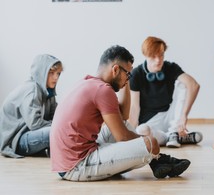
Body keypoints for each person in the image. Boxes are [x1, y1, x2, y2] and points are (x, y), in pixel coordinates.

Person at [50, 45, 190, 181]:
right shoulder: (103, 90)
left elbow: (123, 116)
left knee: (124, 126)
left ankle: (158, 161)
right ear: (115, 69)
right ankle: (158, 159)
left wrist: (125, 81)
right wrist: (150, 146)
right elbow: (122, 136)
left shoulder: (89, 83)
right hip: (76, 166)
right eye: (128, 74)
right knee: (151, 143)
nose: (129, 78)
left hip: (66, 162)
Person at [129, 36, 202, 148]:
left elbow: (194, 85)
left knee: (183, 83)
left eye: (161, 55)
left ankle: (174, 132)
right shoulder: (136, 74)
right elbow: (134, 108)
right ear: (145, 55)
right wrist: (131, 135)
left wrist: (184, 116)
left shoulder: (170, 67)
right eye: (153, 56)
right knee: (141, 130)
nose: (158, 60)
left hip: (171, 117)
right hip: (151, 122)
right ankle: (173, 137)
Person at [0, 54, 63, 158]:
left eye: (58, 74)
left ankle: (60, 157)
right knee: (55, 130)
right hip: (15, 142)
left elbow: (55, 117)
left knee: (61, 128)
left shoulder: (49, 92)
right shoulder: (31, 90)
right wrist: (59, 126)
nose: (56, 77)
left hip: (29, 135)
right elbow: (35, 124)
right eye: (51, 73)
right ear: (41, 73)